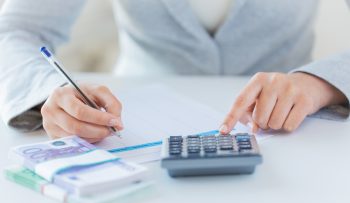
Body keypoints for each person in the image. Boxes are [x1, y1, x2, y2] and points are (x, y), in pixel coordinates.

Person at [0, 0, 349, 143]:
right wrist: (50, 92)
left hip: (301, 135)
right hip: (134, 130)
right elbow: (13, 29)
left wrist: (320, 83)